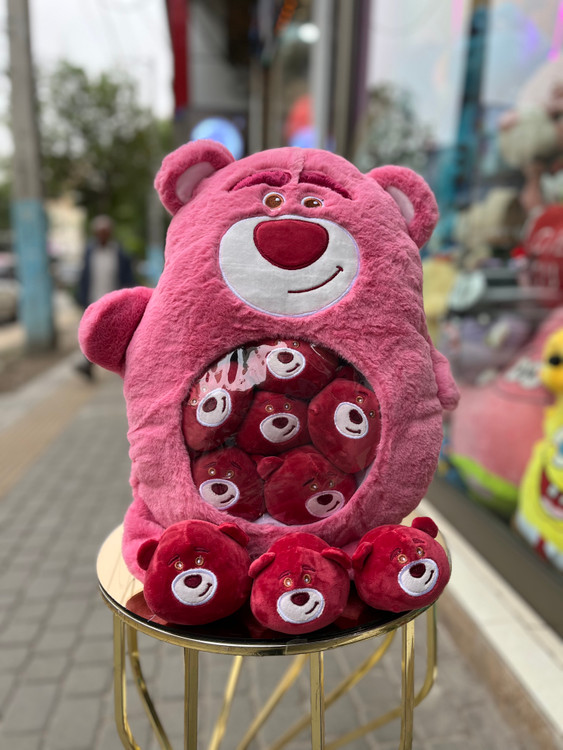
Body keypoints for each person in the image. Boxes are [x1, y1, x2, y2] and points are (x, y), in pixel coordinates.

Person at [75, 215, 134, 378]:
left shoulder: (119, 253)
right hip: (93, 300)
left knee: (117, 334)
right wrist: (81, 297)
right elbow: (84, 276)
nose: (102, 235)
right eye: (99, 232)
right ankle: (88, 364)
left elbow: (127, 277)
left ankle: (125, 363)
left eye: (105, 232)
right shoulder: (89, 252)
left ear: (110, 233)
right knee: (90, 334)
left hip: (114, 302)